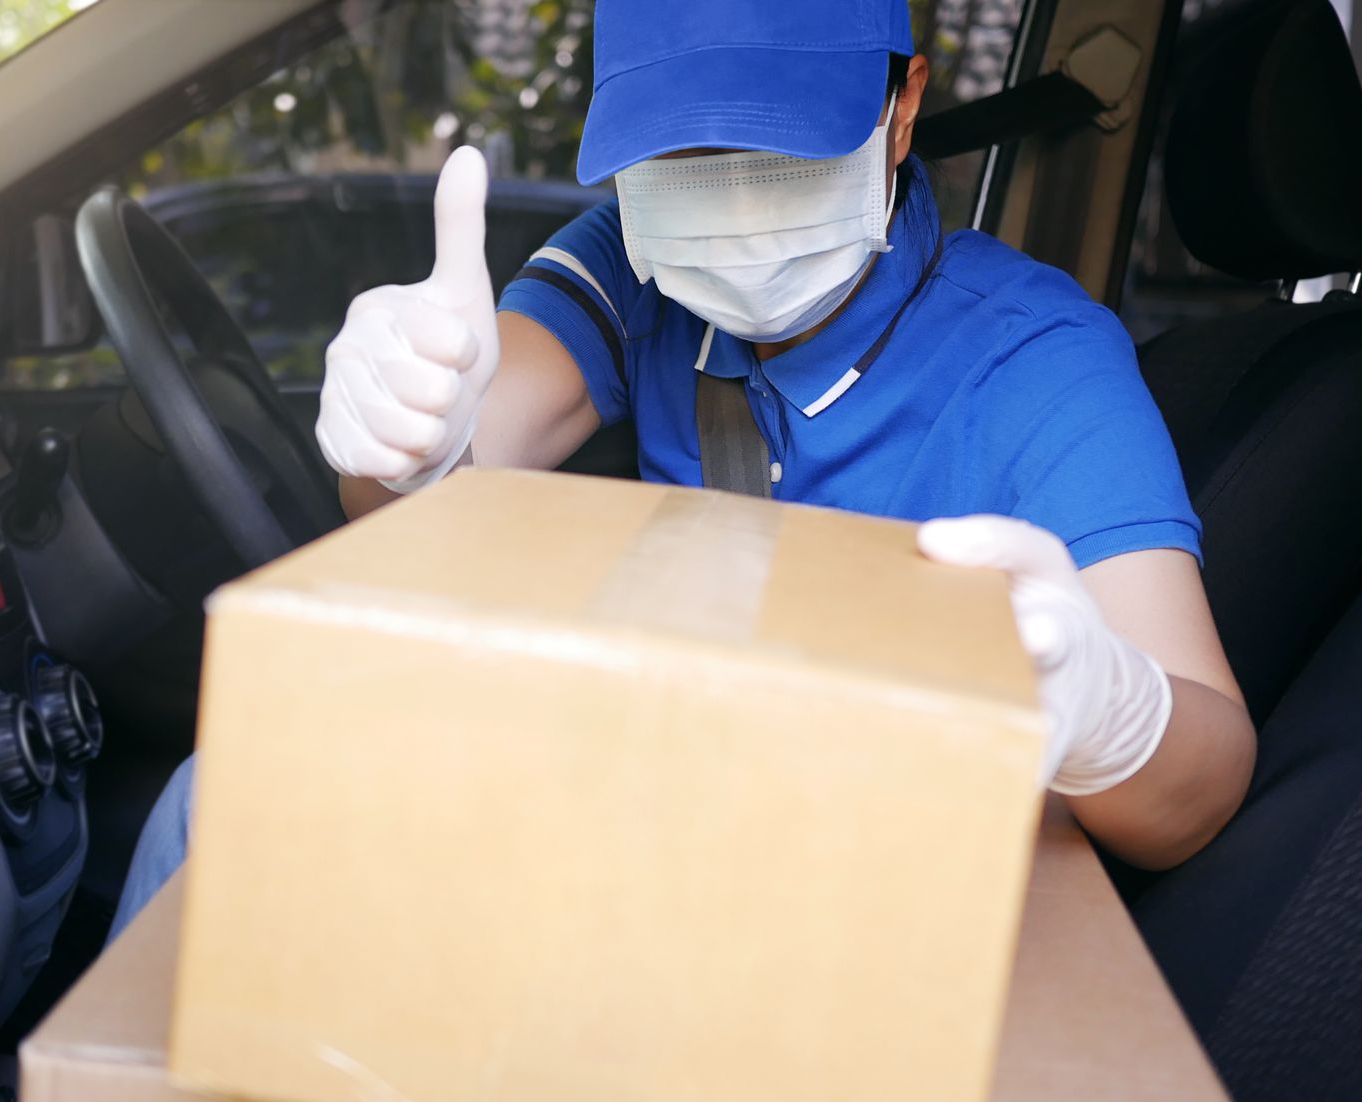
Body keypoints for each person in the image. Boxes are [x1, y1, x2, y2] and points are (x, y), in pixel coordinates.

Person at [109, 0, 1256, 939]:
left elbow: (1202, 775)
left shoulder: (1038, 358)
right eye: (679, 157)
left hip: (879, 896)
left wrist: (1100, 707)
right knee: (228, 792)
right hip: (667, 806)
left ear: (901, 111)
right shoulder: (629, 269)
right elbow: (456, 467)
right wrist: (407, 435)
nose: (729, 195)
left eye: (782, 147)